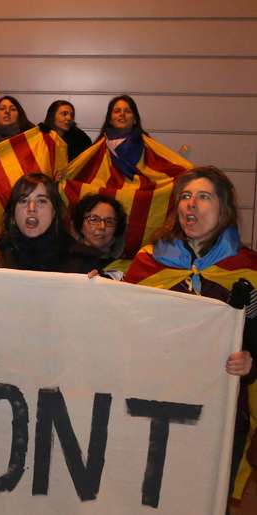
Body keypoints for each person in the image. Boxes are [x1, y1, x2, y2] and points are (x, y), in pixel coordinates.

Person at [124, 166, 256, 500]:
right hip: (154, 407)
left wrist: (251, 363)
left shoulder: (248, 269)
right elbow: (120, 322)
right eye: (184, 196)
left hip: (221, 413)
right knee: (153, 494)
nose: (191, 204)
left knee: (207, 497)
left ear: (223, 208)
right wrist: (93, 288)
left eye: (203, 196)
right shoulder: (147, 263)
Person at [0, 173, 71, 271]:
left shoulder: (79, 259)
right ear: (13, 212)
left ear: (54, 211)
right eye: (24, 200)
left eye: (41, 201)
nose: (32, 208)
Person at [61, 194, 127, 274]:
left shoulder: (124, 266)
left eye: (109, 221)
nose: (102, 226)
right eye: (93, 219)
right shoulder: (63, 259)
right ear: (80, 225)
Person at [96, 94, 148, 178]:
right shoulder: (98, 148)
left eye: (128, 111)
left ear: (135, 120)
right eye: (117, 111)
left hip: (139, 189)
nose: (122, 114)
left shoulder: (148, 145)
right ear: (110, 120)